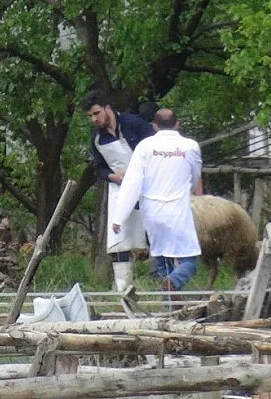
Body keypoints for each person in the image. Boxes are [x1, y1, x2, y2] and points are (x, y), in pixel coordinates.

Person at [111, 108, 202, 294]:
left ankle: (169, 305)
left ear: (154, 125)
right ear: (177, 124)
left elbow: (132, 183)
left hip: (152, 213)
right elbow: (195, 175)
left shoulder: (145, 147)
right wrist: (189, 193)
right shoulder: (190, 146)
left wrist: (118, 217)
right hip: (178, 211)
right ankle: (174, 282)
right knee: (189, 260)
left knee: (162, 258)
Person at [81, 89, 154, 291]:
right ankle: (124, 286)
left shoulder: (135, 124)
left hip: (148, 186)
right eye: (90, 116)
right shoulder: (96, 138)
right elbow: (100, 168)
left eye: (96, 113)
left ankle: (165, 280)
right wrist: (113, 176)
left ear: (107, 108)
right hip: (120, 189)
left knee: (155, 230)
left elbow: (154, 151)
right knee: (119, 237)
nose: (94, 119)